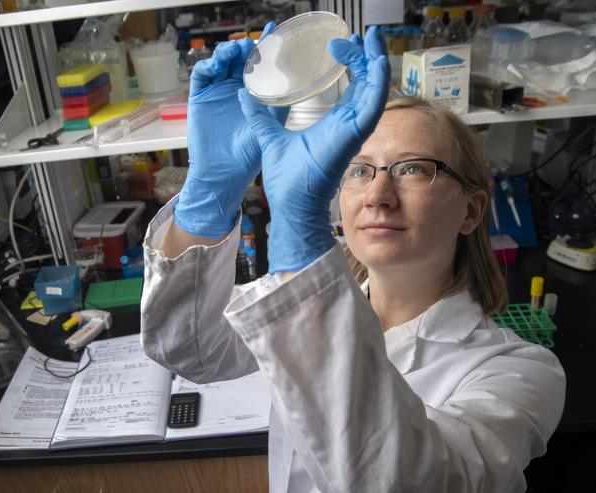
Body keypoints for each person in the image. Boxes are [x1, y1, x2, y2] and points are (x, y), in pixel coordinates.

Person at [140, 23, 565, 492]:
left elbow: (421, 483)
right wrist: (210, 190)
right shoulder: (300, 305)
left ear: (471, 210)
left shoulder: (520, 371)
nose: (378, 195)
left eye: (412, 169)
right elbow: (190, 349)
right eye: (359, 169)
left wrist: (299, 232)